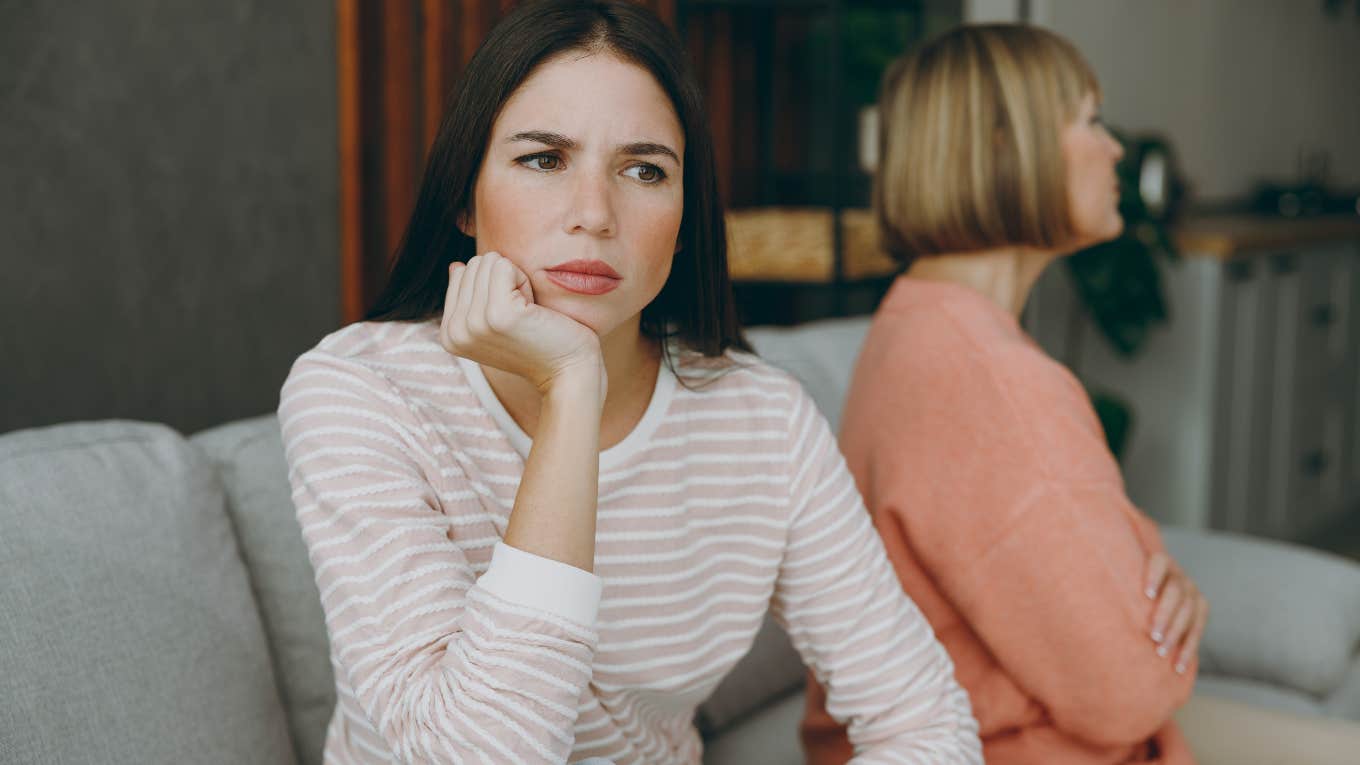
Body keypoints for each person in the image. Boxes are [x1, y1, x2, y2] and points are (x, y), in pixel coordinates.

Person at [277, 2, 981, 763]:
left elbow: (926, 723)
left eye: (644, 170)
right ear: (463, 199)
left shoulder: (763, 420)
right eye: (544, 158)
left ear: (683, 221)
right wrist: (572, 390)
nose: (595, 213)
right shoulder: (361, 394)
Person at [800, 24, 1207, 765]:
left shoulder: (914, 319)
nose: (1117, 148)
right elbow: (1132, 688)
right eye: (1089, 120)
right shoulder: (997, 383)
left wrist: (1149, 569)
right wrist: (1161, 580)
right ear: (1003, 147)